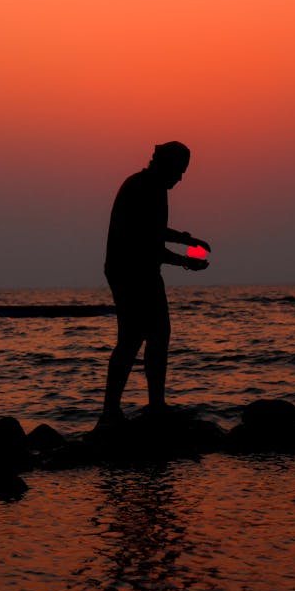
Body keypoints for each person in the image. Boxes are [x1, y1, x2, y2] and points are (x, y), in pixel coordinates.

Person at [97, 141, 210, 428]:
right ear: (166, 165)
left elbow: (154, 232)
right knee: (142, 337)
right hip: (131, 271)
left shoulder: (148, 185)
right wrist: (186, 261)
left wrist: (187, 240)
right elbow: (147, 243)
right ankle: (130, 410)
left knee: (146, 337)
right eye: (180, 170)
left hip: (137, 270)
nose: (181, 178)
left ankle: (135, 408)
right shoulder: (145, 187)